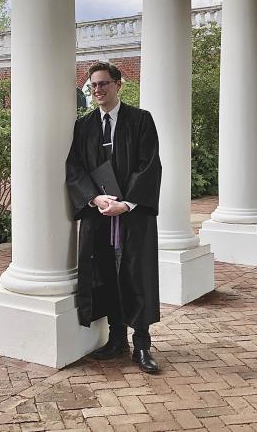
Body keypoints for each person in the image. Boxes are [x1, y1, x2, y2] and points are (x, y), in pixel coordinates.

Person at [66, 61, 163, 374]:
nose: (98, 90)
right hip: (100, 216)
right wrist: (94, 199)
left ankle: (143, 346)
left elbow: (149, 166)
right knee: (106, 275)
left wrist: (128, 203)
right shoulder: (84, 125)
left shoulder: (140, 120)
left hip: (132, 216)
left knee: (136, 275)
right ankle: (117, 339)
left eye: (103, 84)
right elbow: (75, 168)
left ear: (118, 84)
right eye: (93, 85)